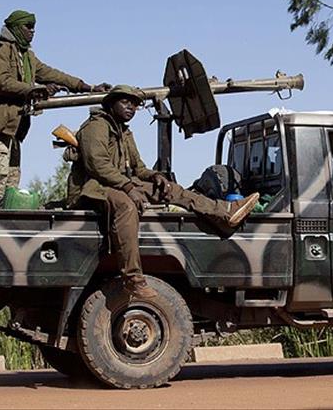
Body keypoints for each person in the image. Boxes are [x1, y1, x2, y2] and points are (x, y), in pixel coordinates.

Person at [66, 85, 260, 299]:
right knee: (126, 206)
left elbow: (138, 168)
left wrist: (155, 176)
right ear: (111, 104)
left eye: (135, 105)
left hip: (117, 183)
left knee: (170, 189)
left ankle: (225, 213)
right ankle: (132, 279)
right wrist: (129, 188)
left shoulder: (124, 132)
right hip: (93, 187)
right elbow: (97, 165)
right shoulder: (96, 126)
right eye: (125, 102)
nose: (131, 108)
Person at [0, 9, 108, 209]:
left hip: (14, 128)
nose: (32, 31)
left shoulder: (26, 55)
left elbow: (51, 74)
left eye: (34, 27)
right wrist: (35, 89)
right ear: (15, 28)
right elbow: (2, 83)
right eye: (28, 27)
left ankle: (4, 217)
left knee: (12, 180)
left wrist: (86, 87)